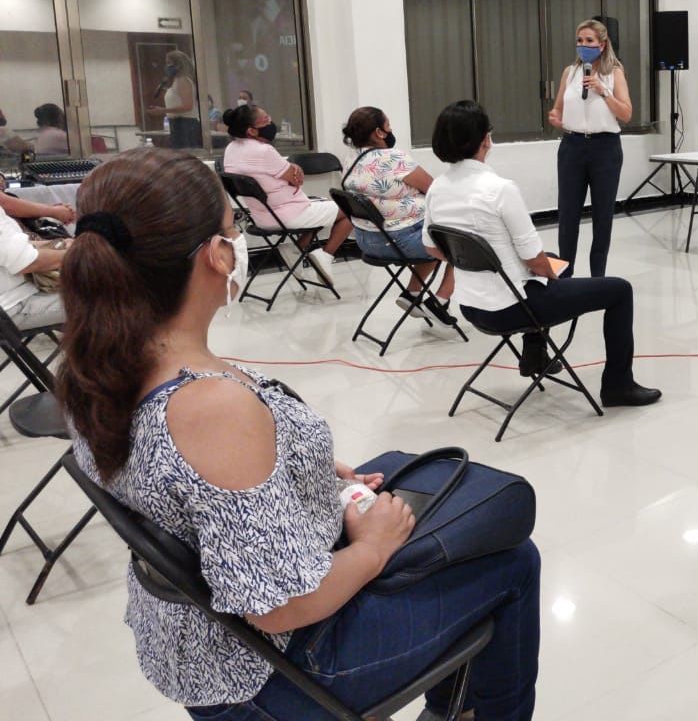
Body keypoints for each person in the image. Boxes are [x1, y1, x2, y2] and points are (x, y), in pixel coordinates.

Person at [57, 149, 539, 719]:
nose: (238, 241)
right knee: (514, 562)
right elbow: (279, 607)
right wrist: (373, 547)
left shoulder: (95, 365)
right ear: (217, 255)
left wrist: (294, 463)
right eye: (234, 228)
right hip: (273, 670)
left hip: (196, 642)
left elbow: (182, 483)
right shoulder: (208, 406)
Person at [424, 100, 661, 407]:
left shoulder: (437, 189)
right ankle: (618, 385)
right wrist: (551, 277)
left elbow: (432, 248)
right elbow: (535, 262)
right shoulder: (500, 189)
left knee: (551, 260)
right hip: (512, 309)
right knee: (619, 290)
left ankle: (535, 355)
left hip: (470, 307)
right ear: (485, 140)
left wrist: (477, 257)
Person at [341, 106, 456, 325]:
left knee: (433, 236)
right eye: (388, 125)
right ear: (379, 132)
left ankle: (412, 293)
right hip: (399, 241)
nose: (391, 129)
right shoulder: (393, 158)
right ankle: (440, 301)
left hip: (366, 241)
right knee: (461, 243)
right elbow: (432, 188)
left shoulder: (351, 159)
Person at [222, 103, 352, 286]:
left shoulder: (231, 149)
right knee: (351, 208)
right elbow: (296, 179)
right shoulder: (264, 151)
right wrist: (293, 170)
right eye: (265, 120)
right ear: (251, 130)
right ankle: (325, 255)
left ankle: (296, 249)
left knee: (321, 207)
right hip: (287, 215)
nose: (270, 123)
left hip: (261, 217)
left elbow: (290, 174)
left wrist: (292, 170)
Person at [546, 19, 632, 278]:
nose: (583, 45)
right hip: (572, 147)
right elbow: (557, 108)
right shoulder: (569, 73)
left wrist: (603, 91)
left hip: (605, 148)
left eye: (589, 41)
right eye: (580, 40)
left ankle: (598, 278)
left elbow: (626, 113)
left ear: (602, 45)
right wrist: (556, 117)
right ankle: (565, 276)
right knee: (568, 215)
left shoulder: (614, 73)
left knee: (602, 216)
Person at [0, 202, 68, 329]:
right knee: (103, 299)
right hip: (12, 306)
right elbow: (26, 262)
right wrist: (79, 253)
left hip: (18, 296)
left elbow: (17, 247)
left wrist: (60, 243)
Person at [149, 50, 201, 149]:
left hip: (185, 124)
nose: (166, 66)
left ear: (178, 64)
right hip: (177, 124)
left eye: (169, 63)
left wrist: (163, 110)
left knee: (185, 153)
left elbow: (188, 106)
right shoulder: (175, 82)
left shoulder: (182, 81)